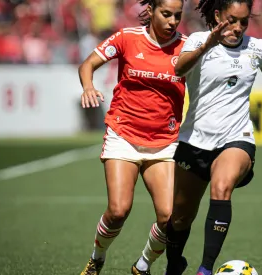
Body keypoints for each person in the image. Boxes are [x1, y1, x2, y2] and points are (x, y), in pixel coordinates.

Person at [164, 0, 262, 274]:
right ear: (217, 15)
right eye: (232, 20)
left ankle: (206, 269)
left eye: (244, 21)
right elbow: (178, 69)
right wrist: (208, 44)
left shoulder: (257, 47)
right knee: (180, 217)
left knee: (221, 186)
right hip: (194, 140)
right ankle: (175, 263)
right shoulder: (198, 41)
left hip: (237, 136)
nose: (238, 27)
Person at [77, 0, 187, 274]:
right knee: (118, 210)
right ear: (150, 11)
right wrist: (88, 87)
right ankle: (97, 258)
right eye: (166, 14)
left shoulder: (187, 47)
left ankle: (142, 266)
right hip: (123, 135)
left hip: (164, 141)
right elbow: (88, 64)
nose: (173, 21)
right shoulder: (127, 38)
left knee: (169, 217)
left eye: (177, 15)